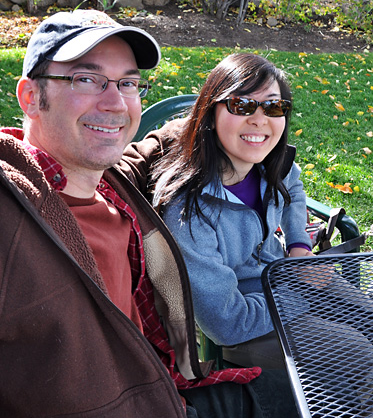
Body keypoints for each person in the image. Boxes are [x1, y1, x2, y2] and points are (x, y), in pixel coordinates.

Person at [0, 10, 298, 418]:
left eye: (128, 84)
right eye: (87, 79)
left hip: (170, 398)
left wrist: (232, 116)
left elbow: (155, 145)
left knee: (314, 389)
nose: (116, 104)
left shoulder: (112, 181)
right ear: (31, 96)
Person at [123, 54, 313, 369]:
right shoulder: (189, 212)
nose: (259, 119)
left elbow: (293, 189)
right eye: (241, 105)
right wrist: (299, 294)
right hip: (250, 316)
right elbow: (228, 322)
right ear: (211, 114)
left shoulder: (270, 161)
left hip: (285, 276)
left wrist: (299, 244)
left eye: (273, 106)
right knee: (361, 366)